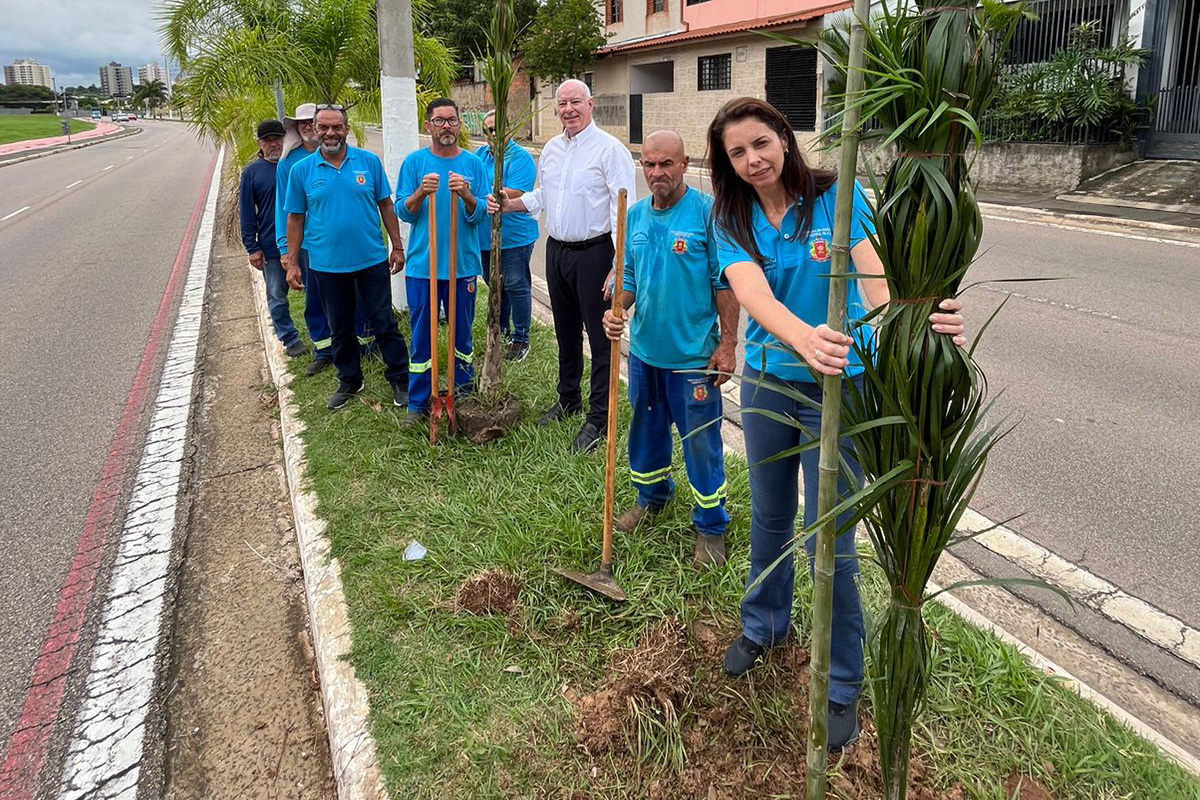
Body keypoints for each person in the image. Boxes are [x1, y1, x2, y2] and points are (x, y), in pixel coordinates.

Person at [707, 97, 966, 749]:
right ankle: (764, 625)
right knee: (767, 517)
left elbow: (877, 284)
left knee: (833, 537)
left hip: (843, 388)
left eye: (761, 143)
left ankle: (842, 683)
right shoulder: (729, 216)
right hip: (769, 382)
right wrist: (802, 338)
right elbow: (753, 294)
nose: (752, 160)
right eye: (737, 153)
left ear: (785, 140)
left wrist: (919, 322)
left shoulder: (836, 198)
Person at [600, 130, 738, 568]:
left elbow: (725, 284)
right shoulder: (635, 216)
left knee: (701, 445)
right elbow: (628, 280)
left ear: (685, 163)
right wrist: (616, 310)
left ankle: (711, 527)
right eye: (649, 164)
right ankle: (652, 497)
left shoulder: (707, 214)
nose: (657, 172)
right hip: (643, 355)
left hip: (693, 360)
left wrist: (729, 343)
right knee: (646, 434)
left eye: (666, 164)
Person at [489, 79, 636, 453]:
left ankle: (599, 416)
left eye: (575, 102)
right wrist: (511, 203)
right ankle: (568, 398)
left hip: (595, 253)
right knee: (565, 332)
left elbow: (624, 212)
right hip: (557, 252)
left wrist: (618, 265)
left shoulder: (610, 151)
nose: (568, 109)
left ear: (591, 103)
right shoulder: (552, 149)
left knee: (601, 338)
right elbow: (545, 195)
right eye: (561, 104)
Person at [283, 105, 410, 410]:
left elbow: (386, 205)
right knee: (339, 327)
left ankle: (400, 379)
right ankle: (350, 380)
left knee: (384, 322)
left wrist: (397, 246)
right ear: (313, 128)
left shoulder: (368, 162)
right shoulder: (301, 171)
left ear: (347, 128)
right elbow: (295, 218)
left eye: (336, 127)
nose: (330, 133)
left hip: (371, 261)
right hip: (326, 266)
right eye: (323, 127)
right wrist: (292, 262)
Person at [396, 98, 488, 421]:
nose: (446, 126)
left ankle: (461, 396)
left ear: (460, 125)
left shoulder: (473, 165)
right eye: (439, 120)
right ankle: (420, 401)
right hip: (424, 267)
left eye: (452, 120)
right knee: (422, 334)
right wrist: (421, 192)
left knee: (461, 334)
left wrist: (465, 194)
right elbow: (401, 212)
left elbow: (480, 216)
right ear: (428, 126)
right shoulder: (414, 163)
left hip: (461, 266)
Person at [276, 102, 374, 376]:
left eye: (312, 122)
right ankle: (324, 350)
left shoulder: (352, 158)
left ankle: (363, 343)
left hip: (350, 247)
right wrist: (286, 249)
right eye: (304, 123)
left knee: (355, 296)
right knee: (316, 300)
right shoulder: (290, 164)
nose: (309, 127)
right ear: (300, 128)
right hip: (309, 246)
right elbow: (286, 212)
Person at [476, 109, 539, 362]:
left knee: (515, 284)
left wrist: (484, 194)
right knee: (494, 284)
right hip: (484, 235)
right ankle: (500, 331)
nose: (493, 134)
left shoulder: (520, 157)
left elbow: (516, 191)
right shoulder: (480, 155)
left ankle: (521, 338)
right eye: (488, 130)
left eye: (497, 128)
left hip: (514, 236)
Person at [240, 119, 306, 358]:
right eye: (268, 141)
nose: (274, 145)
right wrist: (252, 247)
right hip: (270, 246)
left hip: (305, 243)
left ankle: (324, 336)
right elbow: (247, 213)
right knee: (277, 294)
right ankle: (289, 338)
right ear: (260, 144)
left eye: (278, 139)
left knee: (315, 291)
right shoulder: (252, 173)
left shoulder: (295, 164)